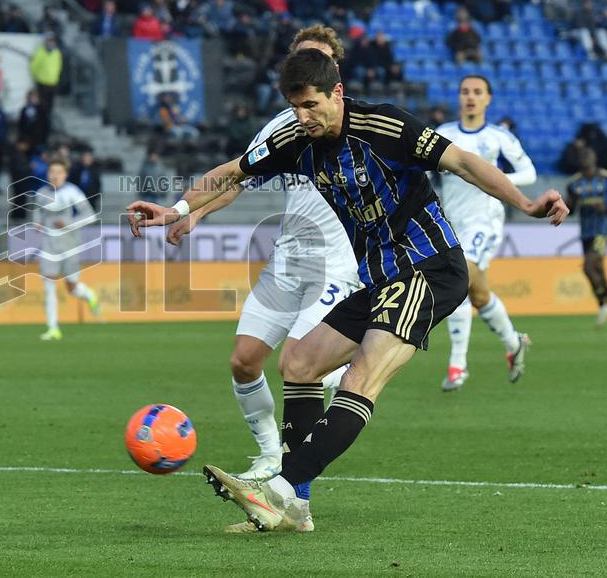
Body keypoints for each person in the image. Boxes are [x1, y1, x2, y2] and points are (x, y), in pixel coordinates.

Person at [127, 48, 568, 532]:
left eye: (311, 105)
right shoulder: (295, 139)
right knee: (298, 363)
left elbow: (461, 161)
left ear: (337, 93)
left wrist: (526, 203)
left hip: (430, 267)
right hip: (380, 277)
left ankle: (280, 489)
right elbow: (232, 172)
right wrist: (178, 209)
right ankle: (296, 508)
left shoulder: (384, 126)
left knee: (361, 375)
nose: (303, 117)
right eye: (295, 107)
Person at [164, 26, 361, 534]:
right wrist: (195, 214)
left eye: (318, 62)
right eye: (300, 63)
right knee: (244, 359)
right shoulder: (285, 127)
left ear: (335, 74)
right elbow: (237, 176)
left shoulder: (358, 126)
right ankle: (269, 456)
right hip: (288, 260)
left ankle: (297, 499)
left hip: (337, 262)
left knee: (301, 365)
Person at [436, 76, 536, 392]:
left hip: (486, 221)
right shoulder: (444, 135)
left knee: (460, 280)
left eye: (477, 92)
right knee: (478, 294)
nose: (470, 97)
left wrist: (493, 177)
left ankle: (457, 366)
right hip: (450, 222)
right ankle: (514, 342)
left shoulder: (498, 137)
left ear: (488, 99)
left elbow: (529, 173)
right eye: (465, 91)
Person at [34, 158, 100, 341]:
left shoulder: (72, 192)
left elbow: (89, 216)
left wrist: (68, 223)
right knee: (49, 285)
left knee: (71, 287)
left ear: (65, 174)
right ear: (48, 174)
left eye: (58, 172)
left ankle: (88, 294)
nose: (54, 175)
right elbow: (37, 211)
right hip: (49, 245)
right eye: (52, 172)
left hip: (70, 244)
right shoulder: (41, 193)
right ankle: (53, 328)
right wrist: (37, 222)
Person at [566, 148, 607, 328]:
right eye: (582, 156)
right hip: (586, 232)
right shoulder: (574, 184)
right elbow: (570, 210)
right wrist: (568, 204)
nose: (585, 158)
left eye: (588, 155)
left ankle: (605, 306)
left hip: (603, 230)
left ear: (595, 158)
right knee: (595, 270)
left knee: (588, 265)